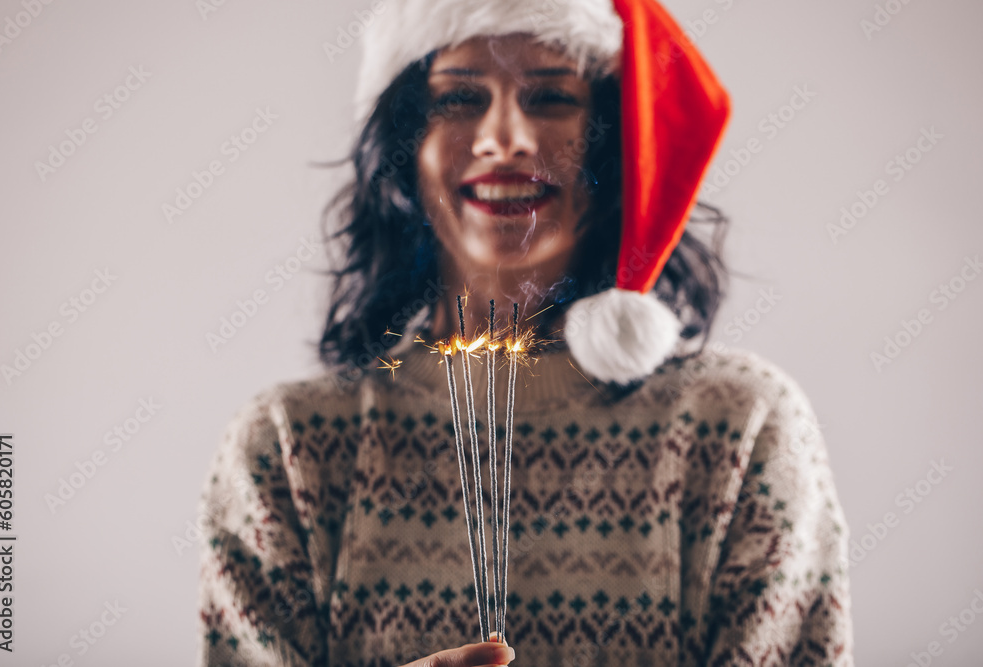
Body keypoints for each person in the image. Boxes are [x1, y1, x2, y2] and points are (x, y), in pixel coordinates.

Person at [197, 0, 855, 665]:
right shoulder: (288, 449)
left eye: (549, 97)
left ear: (615, 136)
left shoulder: (740, 430)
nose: (505, 139)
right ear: (403, 143)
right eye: (458, 99)